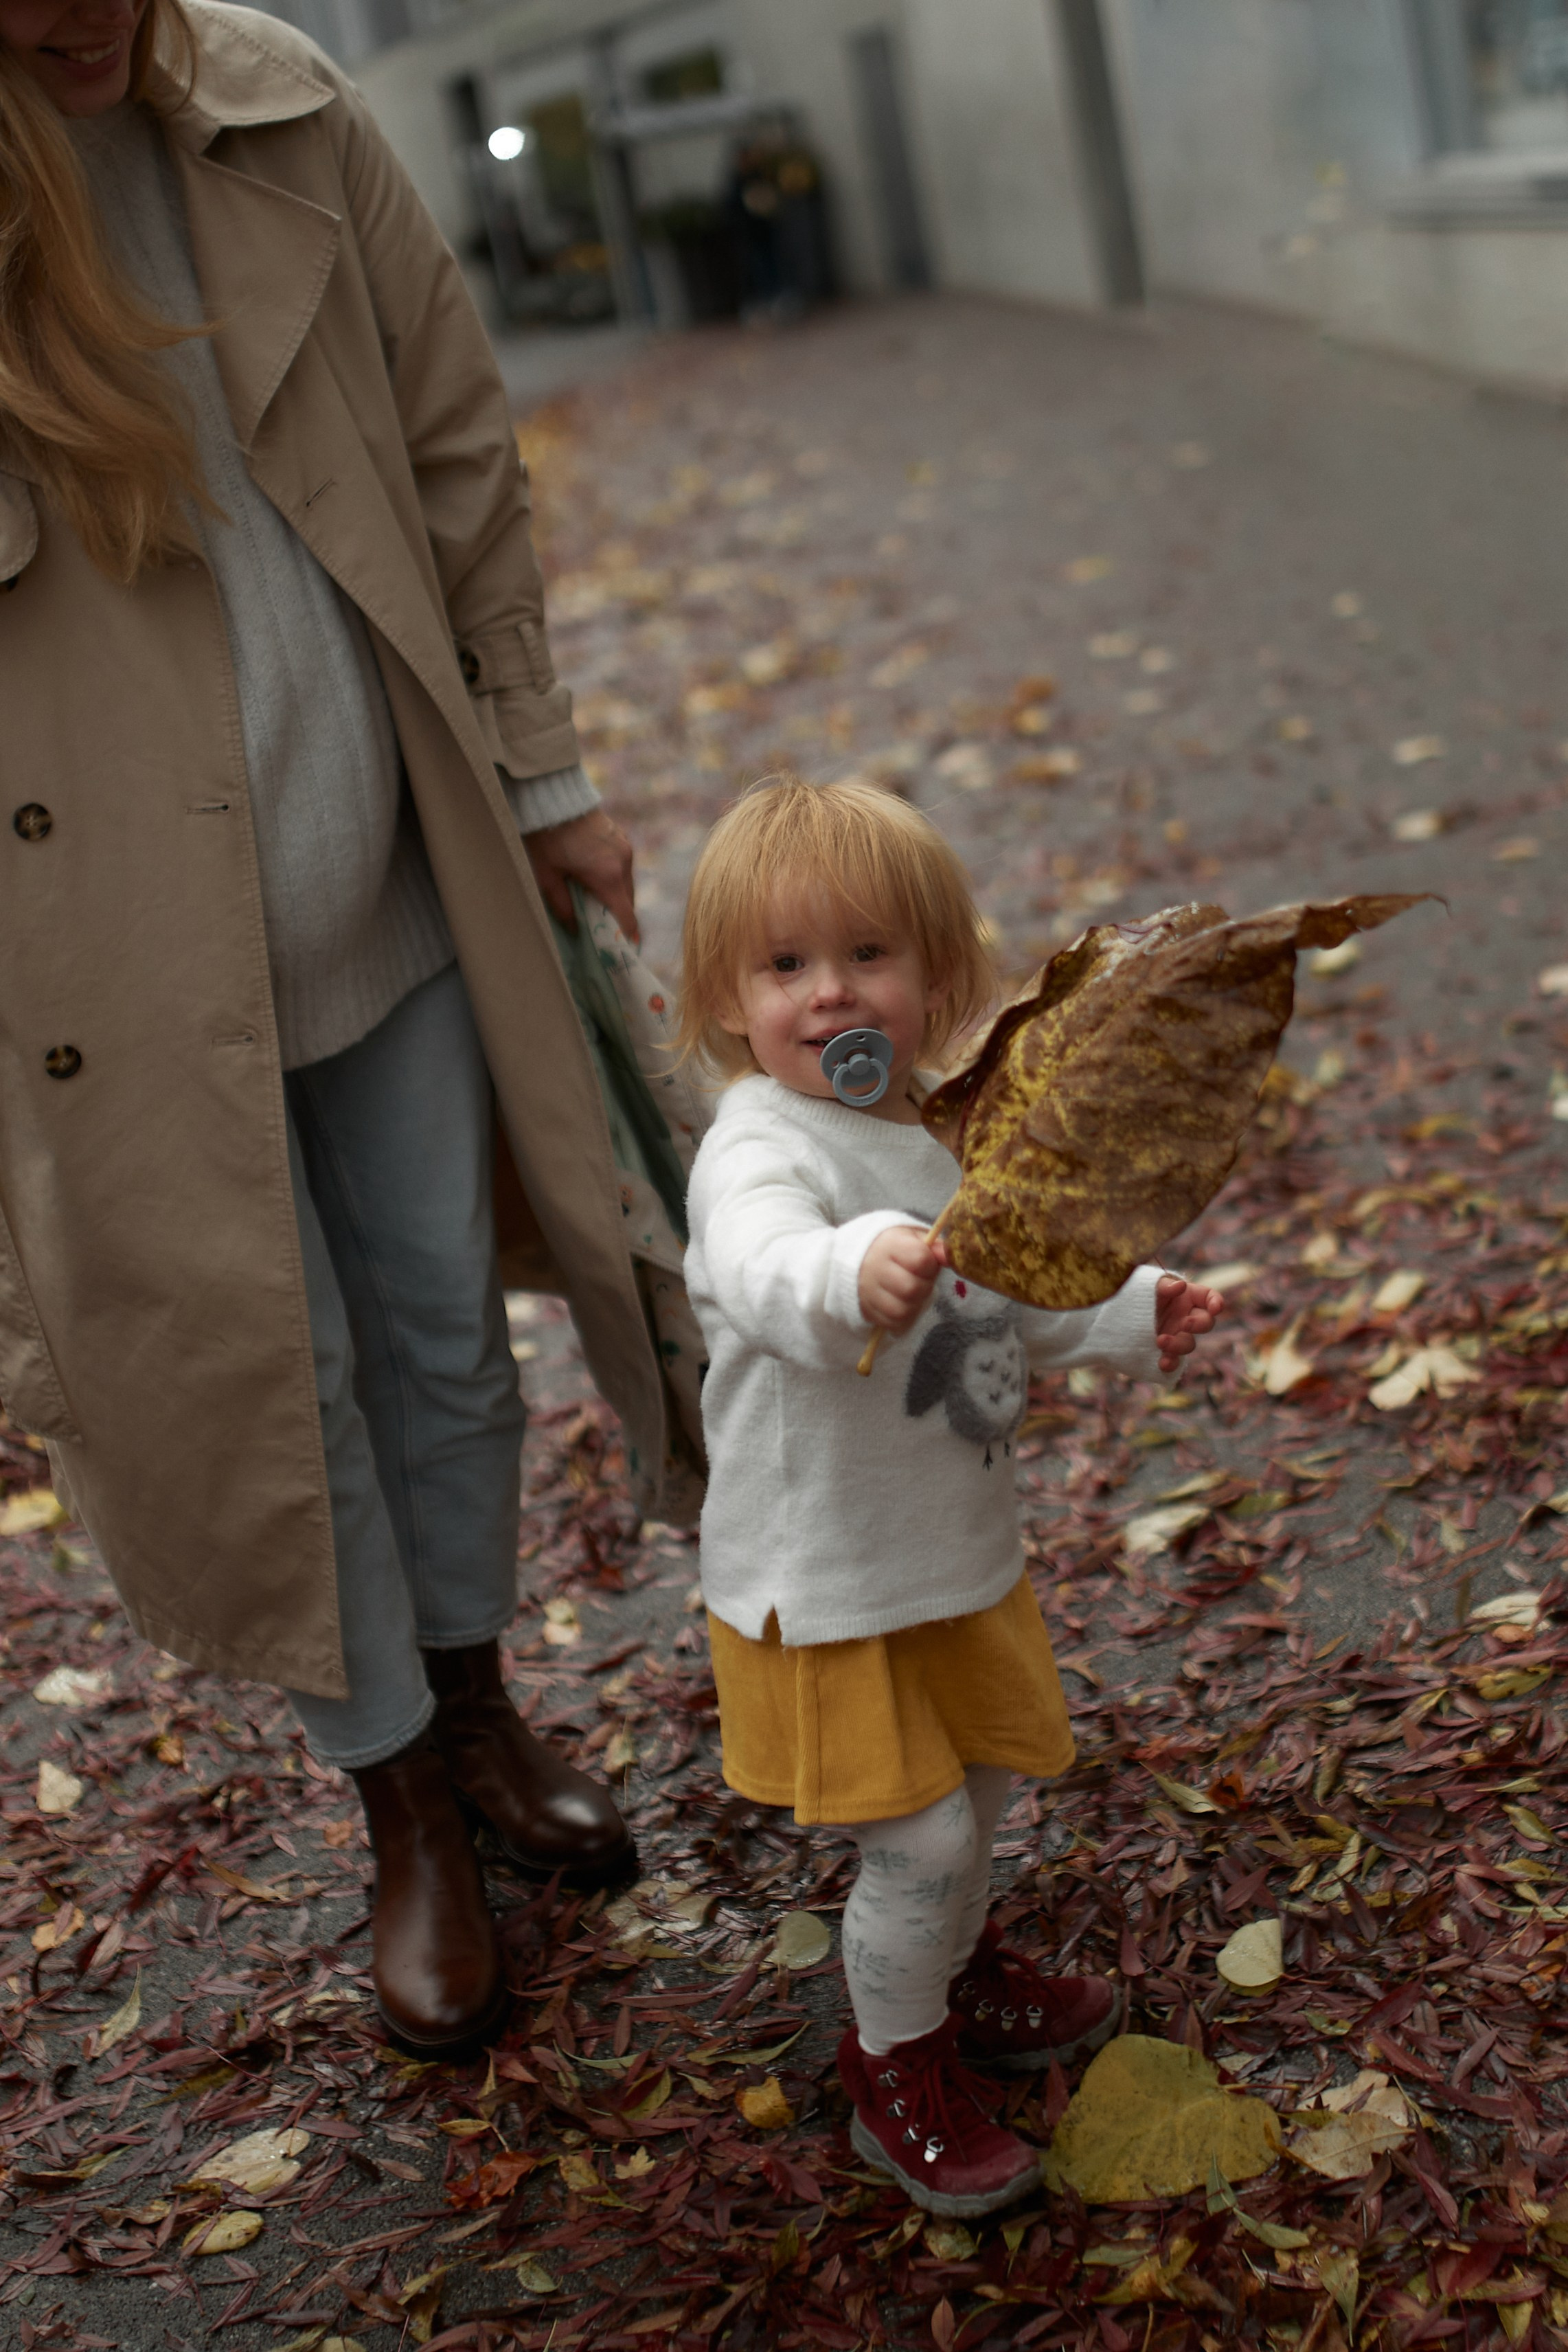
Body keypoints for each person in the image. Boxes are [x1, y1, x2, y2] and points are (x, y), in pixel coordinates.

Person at [0, 0, 673, 2057]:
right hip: (112, 964)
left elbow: (457, 444)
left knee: (445, 1339)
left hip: (387, 865)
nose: (76, 12)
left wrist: (541, 776)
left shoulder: (284, 105)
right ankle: (401, 1809)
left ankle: (476, 1707)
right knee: (276, 1395)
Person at [679, 778, 1225, 2218]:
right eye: (785, 963)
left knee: (973, 1802)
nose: (830, 991)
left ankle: (953, 1969)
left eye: (867, 954)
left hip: (948, 1553)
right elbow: (756, 1263)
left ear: (934, 978)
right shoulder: (759, 1148)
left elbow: (1002, 1289)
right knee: (917, 1841)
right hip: (831, 1581)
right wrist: (842, 1268)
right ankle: (893, 2063)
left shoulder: (931, 1131)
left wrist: (1127, 1311)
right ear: (729, 998)